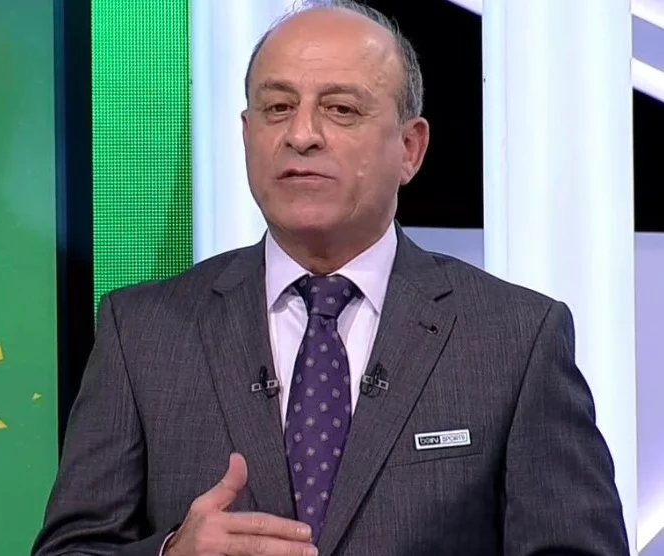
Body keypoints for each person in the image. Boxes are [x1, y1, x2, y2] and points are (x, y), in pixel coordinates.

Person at [31, 1, 630, 554]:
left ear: (410, 148)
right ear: (246, 134)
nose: (301, 135)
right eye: (277, 108)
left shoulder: (515, 338)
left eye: (341, 109)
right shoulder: (142, 332)